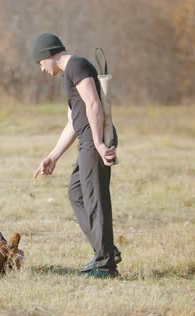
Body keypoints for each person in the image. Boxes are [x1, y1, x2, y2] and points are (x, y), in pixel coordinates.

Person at [31, 33, 121, 278]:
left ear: (47, 55)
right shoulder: (68, 73)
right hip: (88, 143)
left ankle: (105, 265)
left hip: (94, 144)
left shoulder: (77, 65)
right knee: (77, 192)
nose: (41, 70)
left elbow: (93, 104)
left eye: (40, 64)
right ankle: (106, 250)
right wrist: (53, 156)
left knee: (95, 200)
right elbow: (73, 122)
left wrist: (99, 143)